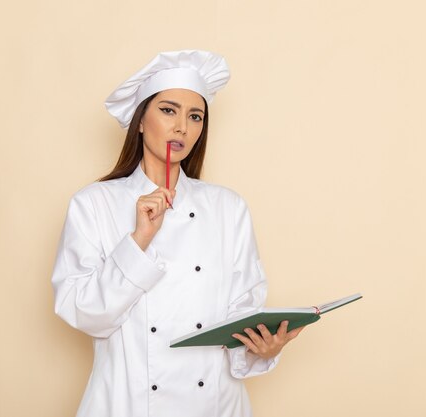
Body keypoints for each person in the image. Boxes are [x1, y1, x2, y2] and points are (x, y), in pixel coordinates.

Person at [51, 50, 304, 417]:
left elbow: (241, 312)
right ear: (140, 121)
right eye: (168, 110)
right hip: (128, 405)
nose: (182, 127)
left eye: (195, 116)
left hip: (215, 406)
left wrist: (260, 348)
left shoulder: (227, 207)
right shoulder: (93, 204)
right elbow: (84, 313)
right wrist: (139, 240)